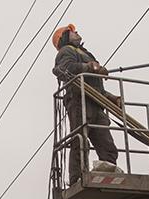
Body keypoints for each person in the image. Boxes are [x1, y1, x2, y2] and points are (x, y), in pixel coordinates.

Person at [51, 24, 121, 181]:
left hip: (95, 102)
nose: (77, 33)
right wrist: (89, 66)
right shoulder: (66, 51)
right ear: (64, 37)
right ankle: (77, 176)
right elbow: (65, 69)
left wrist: (112, 99)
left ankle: (109, 173)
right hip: (79, 101)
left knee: (106, 142)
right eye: (72, 32)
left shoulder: (86, 54)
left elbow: (94, 86)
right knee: (80, 140)